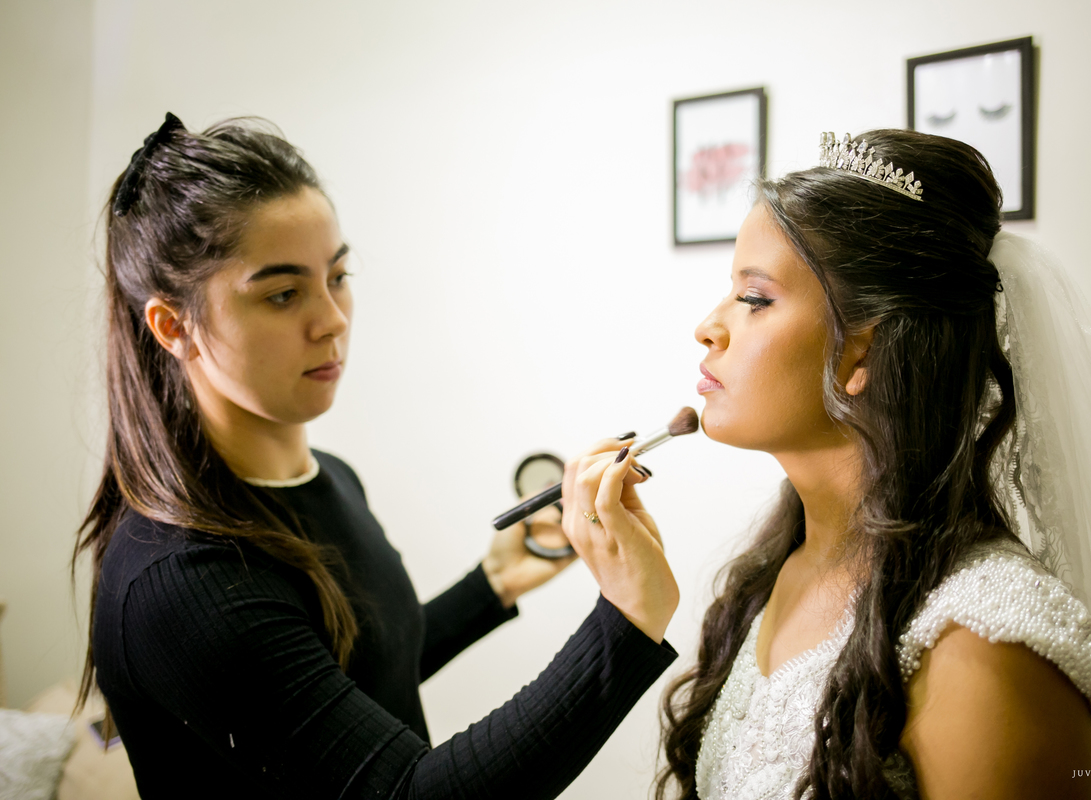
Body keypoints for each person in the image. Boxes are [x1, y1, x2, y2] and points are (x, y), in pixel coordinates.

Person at [74, 112, 679, 799]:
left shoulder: (331, 479)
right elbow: (402, 791)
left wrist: (492, 586)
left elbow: (346, 691)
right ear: (173, 325)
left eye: (338, 275)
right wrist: (628, 621)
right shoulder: (181, 580)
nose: (331, 318)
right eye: (283, 293)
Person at [654, 130, 1091, 800]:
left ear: (861, 352)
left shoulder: (984, 641)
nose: (708, 326)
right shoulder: (776, 569)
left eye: (755, 298)